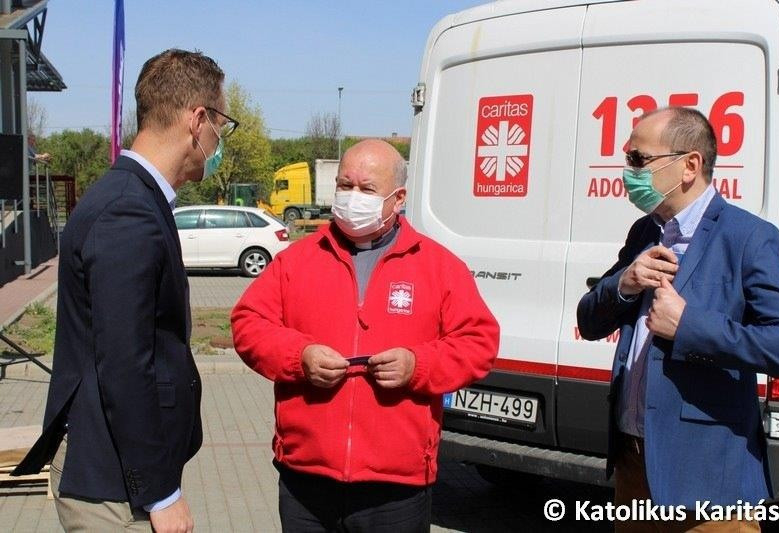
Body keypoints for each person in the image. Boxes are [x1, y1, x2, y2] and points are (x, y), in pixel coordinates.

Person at [12, 49, 238, 532]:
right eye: (222, 124)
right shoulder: (127, 210)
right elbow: (123, 362)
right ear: (197, 120)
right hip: (114, 490)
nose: (220, 140)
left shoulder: (136, 198)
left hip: (120, 476)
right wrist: (161, 494)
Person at [231, 139, 500, 532]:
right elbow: (248, 323)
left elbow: (479, 343)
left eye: (367, 188)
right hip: (306, 482)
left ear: (398, 199)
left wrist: (417, 365)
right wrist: (299, 357)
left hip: (397, 489)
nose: (352, 196)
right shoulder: (296, 261)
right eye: (345, 185)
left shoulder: (439, 267)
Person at [577, 107, 779, 531]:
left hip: (709, 479)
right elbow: (589, 322)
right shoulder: (644, 233)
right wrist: (624, 283)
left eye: (638, 159)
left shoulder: (748, 237)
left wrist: (689, 326)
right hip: (634, 466)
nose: (628, 172)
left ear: (690, 166)